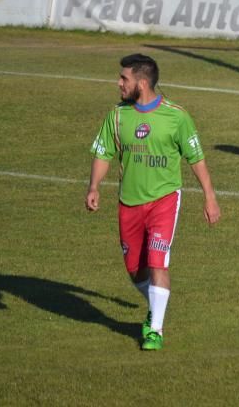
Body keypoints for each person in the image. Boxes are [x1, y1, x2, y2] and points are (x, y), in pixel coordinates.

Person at [85, 53, 221, 351]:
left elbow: (195, 157)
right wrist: (94, 186)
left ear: (142, 83)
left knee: (158, 260)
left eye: (124, 78)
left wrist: (209, 197)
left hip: (164, 200)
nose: (118, 83)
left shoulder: (176, 116)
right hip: (128, 202)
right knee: (135, 269)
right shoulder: (118, 116)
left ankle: (154, 330)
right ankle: (154, 306)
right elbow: (103, 152)